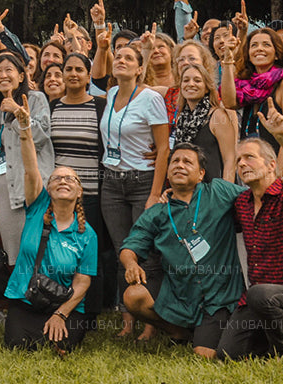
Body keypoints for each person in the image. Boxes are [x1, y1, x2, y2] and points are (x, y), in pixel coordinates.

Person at [216, 102, 283, 361]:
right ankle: (276, 337)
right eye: (239, 159)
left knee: (260, 292)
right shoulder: (241, 203)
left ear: (271, 165)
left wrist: (282, 137)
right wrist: (171, 195)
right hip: (259, 301)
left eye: (250, 157)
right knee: (227, 355)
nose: (242, 164)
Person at [120, 144, 245, 358]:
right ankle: (179, 332)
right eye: (175, 161)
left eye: (188, 162)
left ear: (200, 174)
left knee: (204, 353)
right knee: (133, 295)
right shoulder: (158, 211)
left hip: (219, 297)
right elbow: (129, 246)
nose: (180, 165)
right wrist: (131, 264)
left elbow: (254, 198)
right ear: (168, 172)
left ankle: (205, 334)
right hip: (180, 294)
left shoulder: (218, 191)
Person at [2, 98, 98, 353]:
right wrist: (25, 132)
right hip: (27, 299)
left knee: (63, 344)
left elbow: (83, 282)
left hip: (64, 303)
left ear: (80, 191)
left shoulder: (87, 234)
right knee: (17, 345)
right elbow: (31, 167)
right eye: (57, 178)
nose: (63, 181)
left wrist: (62, 314)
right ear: (48, 186)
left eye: (70, 179)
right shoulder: (37, 206)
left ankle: (61, 324)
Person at [99, 43, 170, 339]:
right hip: (112, 182)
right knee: (121, 252)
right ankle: (128, 320)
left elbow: (164, 148)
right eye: (119, 57)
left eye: (130, 58)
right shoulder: (111, 94)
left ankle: (151, 321)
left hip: (143, 181)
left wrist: (155, 193)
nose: (122, 61)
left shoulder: (151, 98)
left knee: (148, 254)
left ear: (140, 69)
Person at [46, 53, 110, 316]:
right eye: (68, 69)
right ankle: (58, 303)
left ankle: (92, 312)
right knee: (60, 253)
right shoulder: (52, 107)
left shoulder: (101, 106)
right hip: (59, 196)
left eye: (79, 69)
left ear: (88, 75)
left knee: (91, 254)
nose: (73, 74)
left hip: (91, 192)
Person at [0, 51, 54, 265]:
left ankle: (41, 295)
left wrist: (17, 114)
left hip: (33, 187)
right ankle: (18, 297)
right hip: (5, 191)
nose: (3, 75)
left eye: (8, 70)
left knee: (39, 251)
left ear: (21, 76)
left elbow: (41, 138)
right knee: (14, 255)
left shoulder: (35, 99)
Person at [220, 26, 283, 165]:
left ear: (276, 54)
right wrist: (228, 60)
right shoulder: (246, 86)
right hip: (250, 169)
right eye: (254, 45)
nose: (259, 49)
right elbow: (228, 102)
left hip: (279, 172)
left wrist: (277, 177)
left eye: (266, 45)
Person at [172, 63, 237, 182]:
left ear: (207, 87)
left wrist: (225, 191)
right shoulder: (182, 119)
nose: (190, 84)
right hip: (186, 191)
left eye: (197, 80)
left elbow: (230, 159)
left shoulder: (217, 116)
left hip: (212, 190)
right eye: (186, 80)